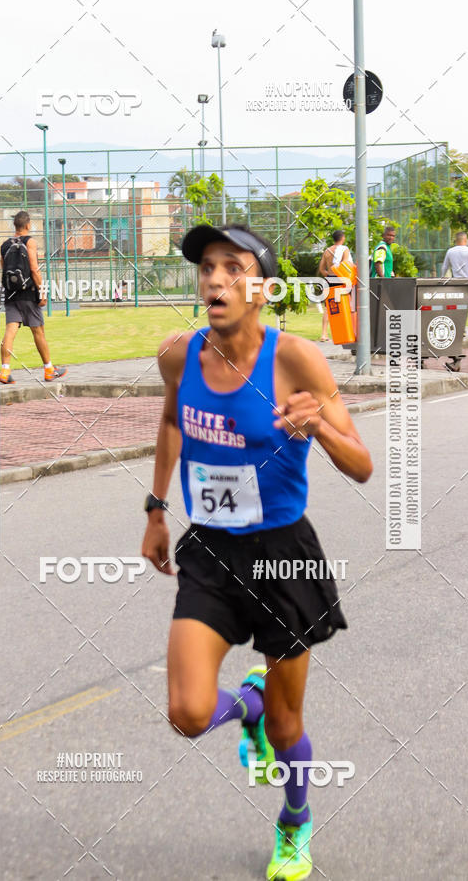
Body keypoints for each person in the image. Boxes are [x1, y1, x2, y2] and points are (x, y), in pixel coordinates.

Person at [141, 224, 373, 880]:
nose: (215, 279)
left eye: (233, 267)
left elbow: (362, 465)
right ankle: (241, 703)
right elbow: (168, 421)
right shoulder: (177, 356)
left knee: (286, 726)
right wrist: (156, 508)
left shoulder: (295, 359)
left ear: (263, 288)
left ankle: (294, 822)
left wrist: (319, 424)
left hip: (282, 553)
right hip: (211, 551)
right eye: (207, 267)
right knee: (187, 714)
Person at [0, 210, 67, 383]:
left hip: (10, 294)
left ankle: (5, 372)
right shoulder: (30, 242)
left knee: (9, 332)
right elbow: (34, 269)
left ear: (15, 225)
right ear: (28, 225)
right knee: (38, 332)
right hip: (28, 294)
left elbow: (3, 269)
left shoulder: (5, 245)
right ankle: (49, 369)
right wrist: (42, 292)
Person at [317, 230, 352, 341]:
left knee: (328, 308)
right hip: (341, 279)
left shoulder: (327, 251)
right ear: (343, 238)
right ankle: (346, 332)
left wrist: (329, 274)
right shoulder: (344, 249)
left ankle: (323, 334)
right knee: (346, 305)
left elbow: (321, 269)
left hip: (329, 280)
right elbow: (345, 264)